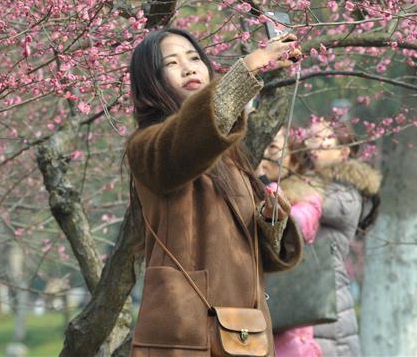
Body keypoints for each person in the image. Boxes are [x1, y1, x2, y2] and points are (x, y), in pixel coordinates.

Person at [126, 27, 305, 356]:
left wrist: (269, 220)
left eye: (195, 58)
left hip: (244, 332)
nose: (189, 67)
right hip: (187, 334)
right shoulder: (147, 146)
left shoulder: (230, 156)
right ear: (151, 80)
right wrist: (248, 67)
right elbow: (190, 138)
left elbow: (253, 255)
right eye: (172, 62)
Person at [303, 120, 381, 357]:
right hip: (306, 292)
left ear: (343, 152)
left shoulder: (346, 192)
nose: (316, 145)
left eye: (325, 140)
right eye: (311, 138)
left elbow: (312, 202)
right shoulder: (307, 183)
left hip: (328, 295)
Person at [257, 128, 323, 357]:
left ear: (293, 159)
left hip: (291, 339)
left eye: (273, 147)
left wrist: (264, 184)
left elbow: (295, 228)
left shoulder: (307, 198)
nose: (263, 153)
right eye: (260, 144)